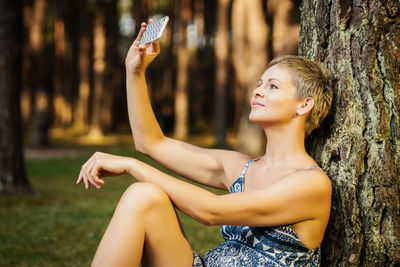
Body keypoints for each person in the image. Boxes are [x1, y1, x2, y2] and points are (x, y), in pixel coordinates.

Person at [76, 20, 333, 267]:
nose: (257, 91)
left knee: (144, 189)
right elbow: (150, 143)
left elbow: (210, 211)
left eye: (273, 86)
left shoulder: (311, 184)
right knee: (143, 196)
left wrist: (132, 166)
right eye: (259, 84)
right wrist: (135, 72)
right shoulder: (241, 167)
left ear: (304, 104)